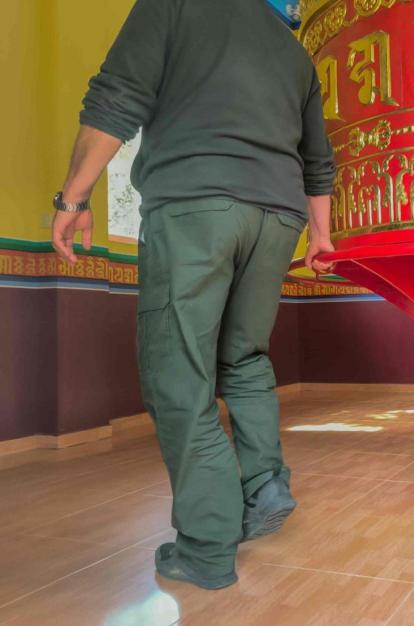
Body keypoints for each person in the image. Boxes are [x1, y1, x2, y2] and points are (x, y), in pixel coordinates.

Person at [51, 0, 336, 590]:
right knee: (245, 357)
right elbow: (317, 159)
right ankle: (264, 486)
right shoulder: (294, 51)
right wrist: (323, 235)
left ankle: (206, 545)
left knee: (178, 373)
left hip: (196, 201)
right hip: (279, 218)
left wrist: (74, 199)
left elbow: (117, 97)